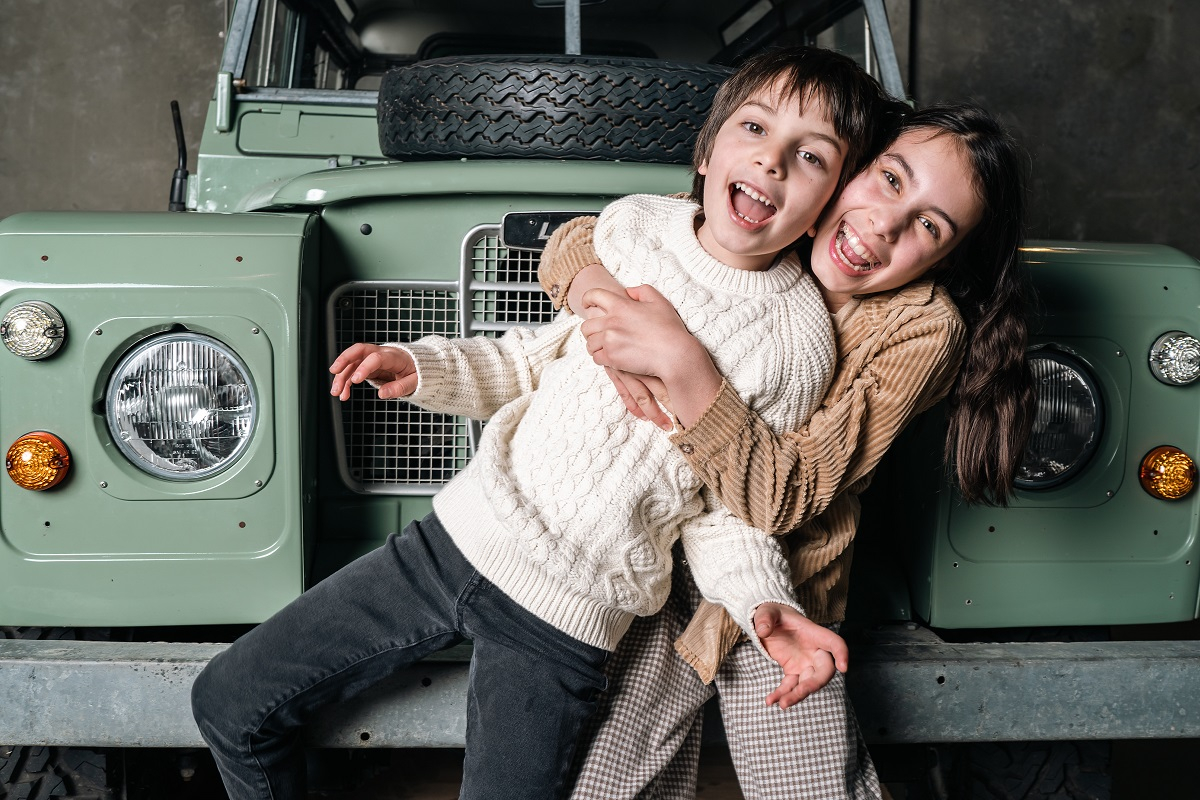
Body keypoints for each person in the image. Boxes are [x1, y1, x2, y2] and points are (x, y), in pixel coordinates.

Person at [190, 46, 894, 800]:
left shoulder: (797, 340)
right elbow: (536, 361)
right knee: (231, 704)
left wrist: (765, 604)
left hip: (562, 622)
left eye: (811, 155)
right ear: (708, 145)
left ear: (831, 198)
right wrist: (425, 366)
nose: (773, 162)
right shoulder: (633, 229)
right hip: (448, 544)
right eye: (754, 127)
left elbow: (727, 512)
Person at [537, 102, 1036, 799]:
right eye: (889, 180)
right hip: (646, 554)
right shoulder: (773, 218)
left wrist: (680, 361)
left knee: (812, 784)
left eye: (929, 225)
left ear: (948, 258)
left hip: (779, 585)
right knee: (604, 785)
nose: (886, 225)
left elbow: (785, 496)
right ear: (846, 165)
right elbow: (584, 238)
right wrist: (605, 306)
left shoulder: (921, 326)